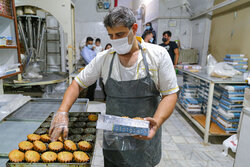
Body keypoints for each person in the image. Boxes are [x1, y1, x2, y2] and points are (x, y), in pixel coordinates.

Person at [49, 6, 178, 167]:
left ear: (134, 28)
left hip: (145, 137)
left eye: (120, 34)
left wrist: (157, 122)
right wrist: (62, 111)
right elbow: (77, 84)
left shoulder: (157, 55)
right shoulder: (104, 59)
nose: (115, 40)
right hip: (114, 141)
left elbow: (170, 94)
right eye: (111, 35)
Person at [80, 37, 97, 101]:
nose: (91, 44)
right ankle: (89, 101)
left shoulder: (91, 49)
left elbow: (95, 56)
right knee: (90, 87)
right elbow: (89, 60)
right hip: (89, 70)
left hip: (94, 69)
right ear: (86, 43)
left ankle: (91, 100)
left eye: (91, 43)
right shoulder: (84, 50)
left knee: (93, 87)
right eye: (89, 43)